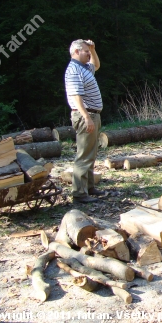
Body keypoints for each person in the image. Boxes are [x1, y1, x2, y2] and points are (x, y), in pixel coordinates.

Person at [65, 39, 106, 203]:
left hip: (93, 114)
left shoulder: (84, 67)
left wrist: (93, 49)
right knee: (83, 155)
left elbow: (96, 65)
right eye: (85, 51)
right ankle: (79, 194)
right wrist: (86, 117)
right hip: (85, 115)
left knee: (91, 152)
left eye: (88, 51)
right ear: (76, 52)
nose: (88, 54)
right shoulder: (74, 70)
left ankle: (89, 187)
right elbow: (77, 97)